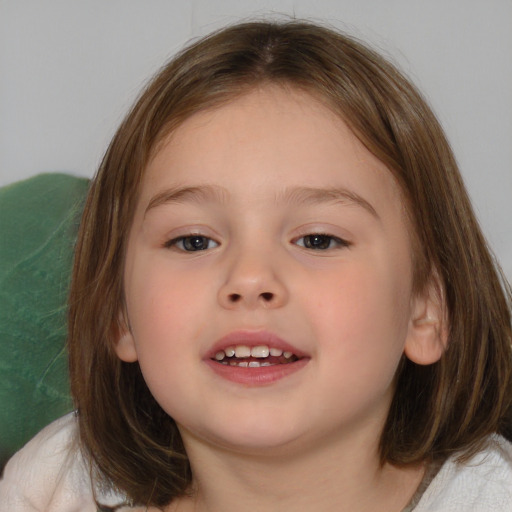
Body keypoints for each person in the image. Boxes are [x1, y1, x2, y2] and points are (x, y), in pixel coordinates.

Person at [1, 19, 511, 512]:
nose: (249, 279)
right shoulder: (56, 485)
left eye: (317, 239)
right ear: (119, 313)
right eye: (194, 241)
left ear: (425, 310)